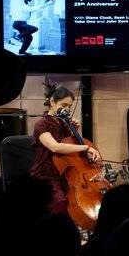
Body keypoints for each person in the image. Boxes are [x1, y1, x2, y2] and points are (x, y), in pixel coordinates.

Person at [29, 83, 101, 215]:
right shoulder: (41, 124)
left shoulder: (63, 124)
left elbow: (70, 148)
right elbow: (55, 147)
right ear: (52, 102)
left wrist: (75, 131)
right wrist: (86, 147)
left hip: (63, 174)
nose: (67, 110)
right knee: (61, 204)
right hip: (45, 175)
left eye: (69, 107)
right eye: (63, 105)